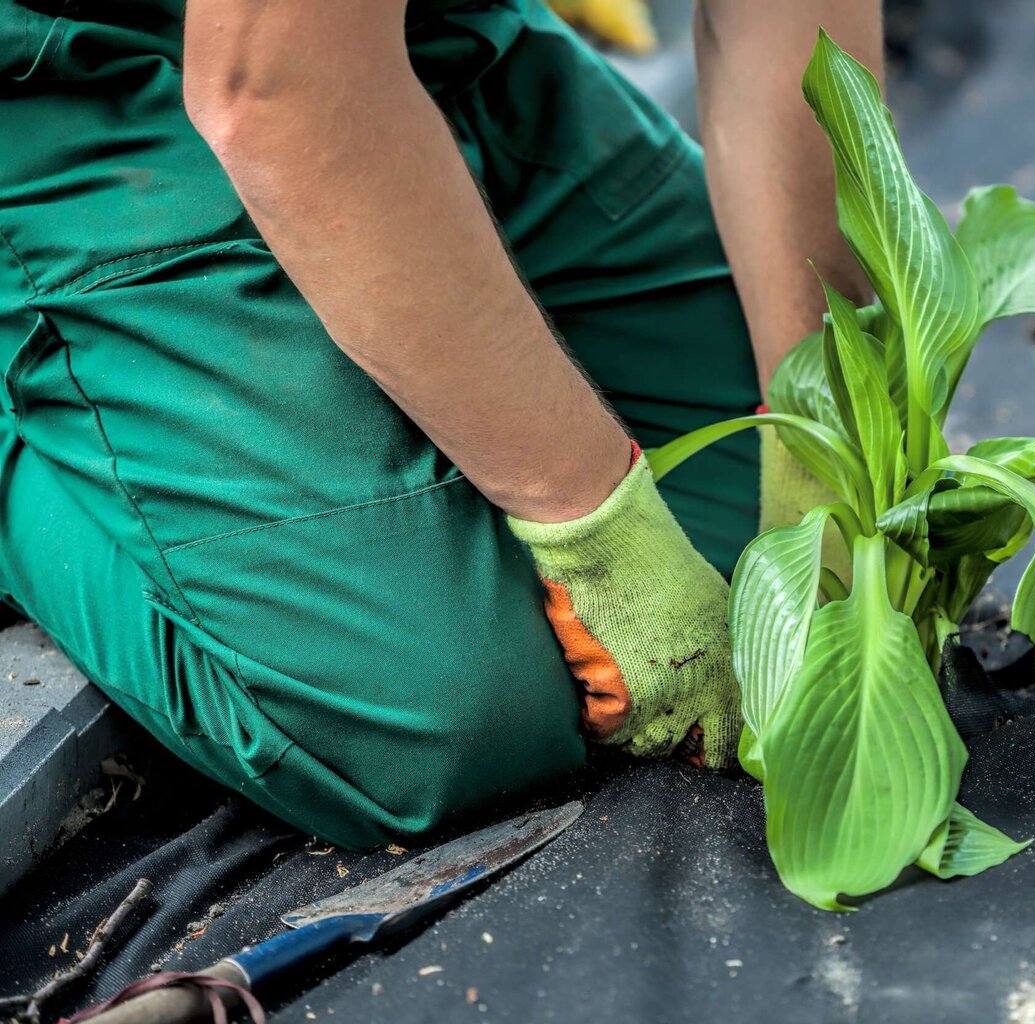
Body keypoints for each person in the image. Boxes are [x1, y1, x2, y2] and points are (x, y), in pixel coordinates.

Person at [0, 0, 876, 848]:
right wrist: (603, 539)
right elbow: (278, 91)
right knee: (436, 717)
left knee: (743, 545)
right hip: (72, 91)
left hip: (418, 35)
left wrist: (814, 411)